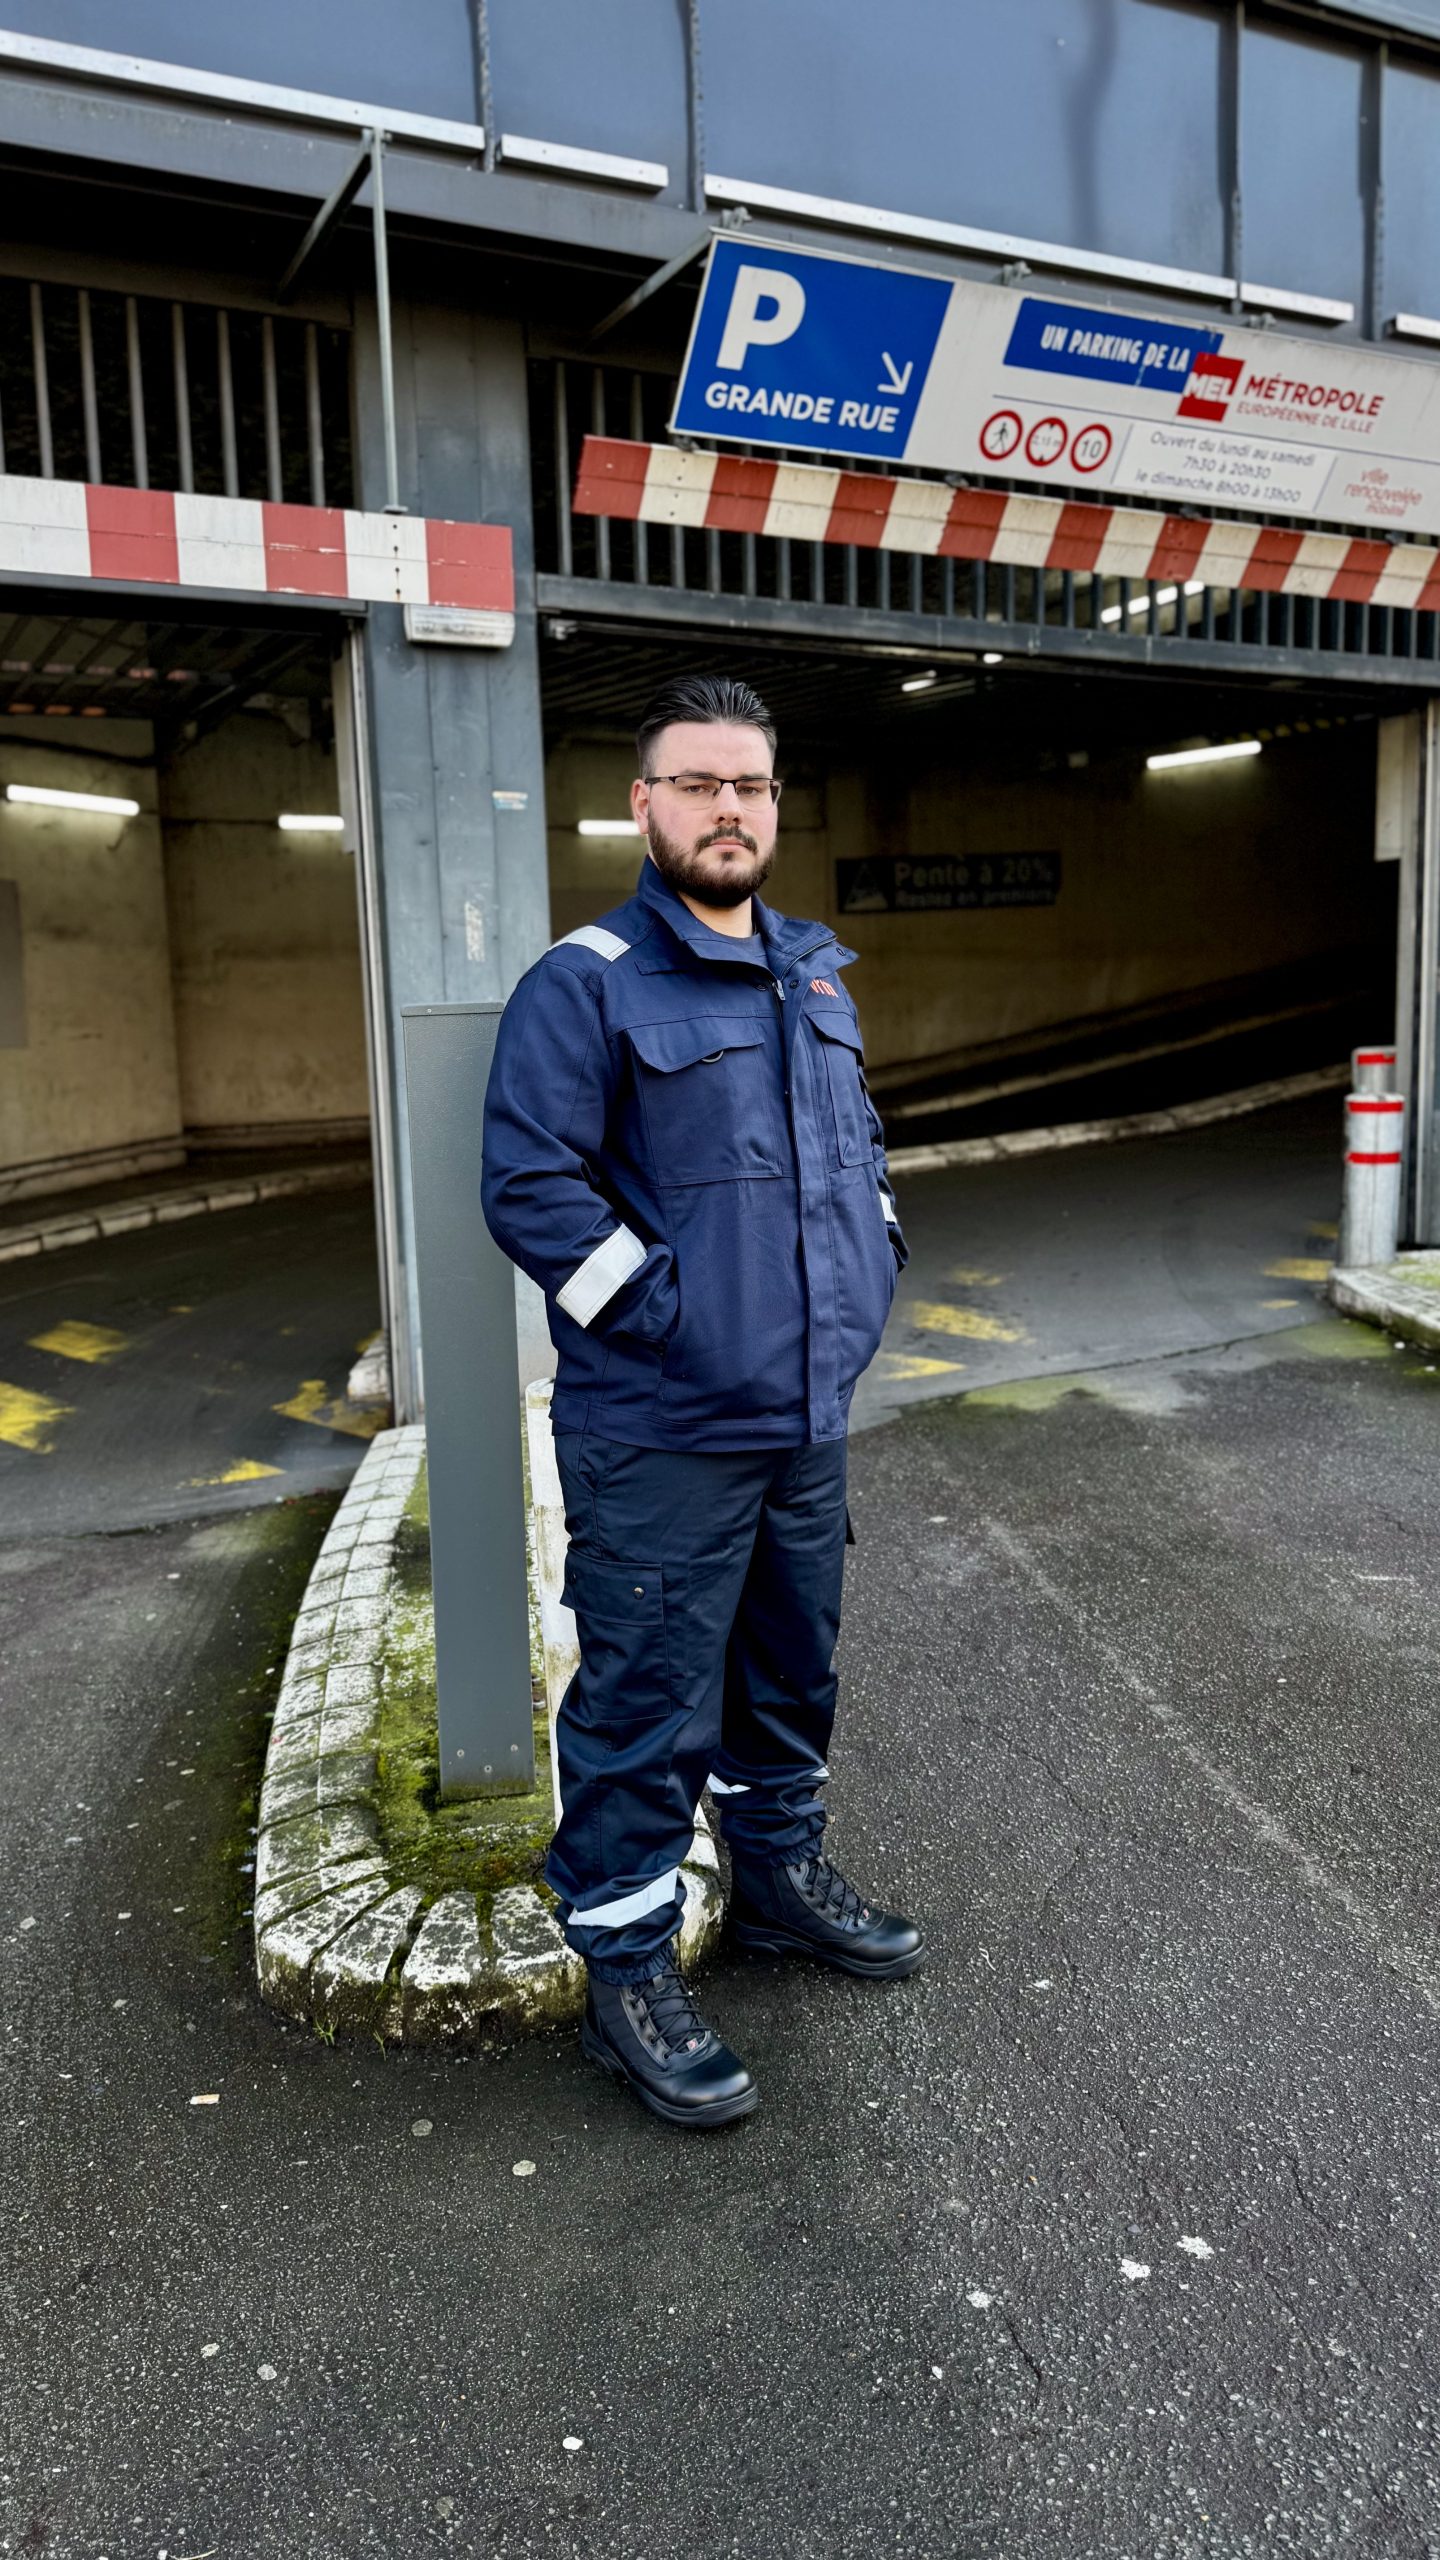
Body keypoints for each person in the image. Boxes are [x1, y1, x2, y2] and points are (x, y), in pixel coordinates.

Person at [482, 673, 922, 2129]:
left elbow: (853, 1152)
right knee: (646, 1700)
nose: (727, 810)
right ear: (645, 803)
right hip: (662, 1428)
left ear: (773, 807)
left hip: (802, 1421)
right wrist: (672, 1324)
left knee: (793, 1667)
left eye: (750, 786)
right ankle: (623, 1965)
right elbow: (531, 1190)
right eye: (698, 784)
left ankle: (780, 1877)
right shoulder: (589, 979)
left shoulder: (809, 970)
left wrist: (874, 1263)